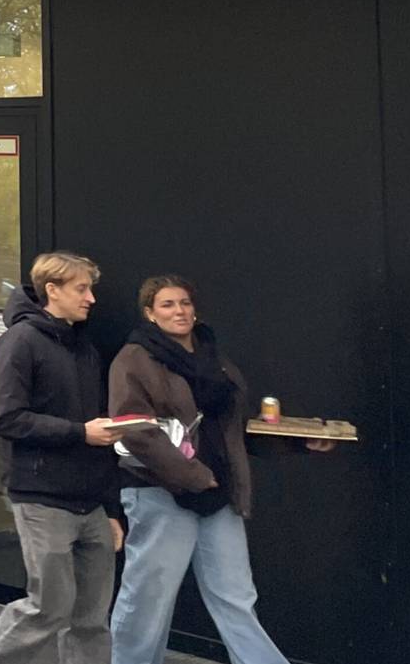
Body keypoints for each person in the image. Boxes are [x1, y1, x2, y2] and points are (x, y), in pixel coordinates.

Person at [107, 276, 330, 664]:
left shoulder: (214, 358)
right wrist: (193, 475)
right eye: (167, 305)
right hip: (161, 493)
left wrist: (298, 441)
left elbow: (235, 428)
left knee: (236, 597)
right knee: (148, 599)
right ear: (149, 313)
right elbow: (133, 431)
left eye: (185, 303)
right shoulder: (134, 359)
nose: (180, 311)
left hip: (218, 494)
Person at [0, 253, 124, 664]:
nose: (92, 298)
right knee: (49, 607)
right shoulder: (20, 342)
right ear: (52, 290)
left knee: (92, 617)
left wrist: (112, 507)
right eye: (82, 289)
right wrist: (81, 433)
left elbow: (96, 428)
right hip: (41, 495)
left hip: (92, 500)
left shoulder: (83, 346)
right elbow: (6, 418)